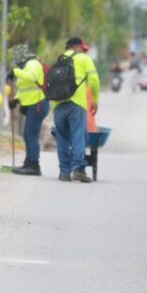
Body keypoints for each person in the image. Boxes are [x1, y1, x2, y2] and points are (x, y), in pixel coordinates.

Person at [49, 36, 100, 183]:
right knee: (78, 136)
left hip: (58, 105)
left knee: (62, 138)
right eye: (82, 49)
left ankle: (64, 172)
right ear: (77, 47)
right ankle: (79, 170)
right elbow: (94, 81)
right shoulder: (83, 59)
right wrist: (95, 99)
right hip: (76, 104)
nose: (83, 51)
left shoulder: (59, 60)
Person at [10, 50, 48, 176]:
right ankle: (28, 163)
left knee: (31, 135)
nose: (17, 63)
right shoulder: (27, 67)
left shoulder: (32, 63)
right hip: (34, 104)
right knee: (27, 134)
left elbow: (32, 78)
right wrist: (16, 99)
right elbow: (26, 88)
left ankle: (34, 166)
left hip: (38, 104)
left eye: (17, 60)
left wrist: (15, 72)